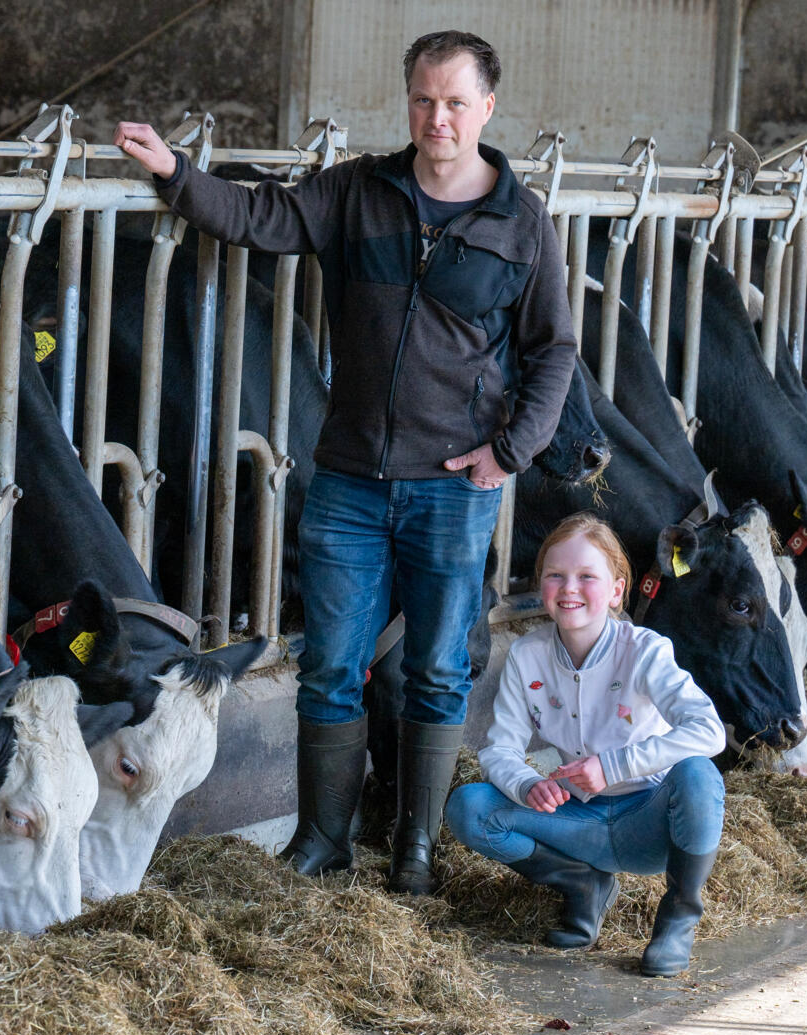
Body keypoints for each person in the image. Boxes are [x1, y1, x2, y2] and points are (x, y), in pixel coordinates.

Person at [114, 30, 577, 893]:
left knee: (440, 669)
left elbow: (554, 351)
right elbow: (261, 215)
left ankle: (418, 848)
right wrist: (175, 174)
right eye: (423, 100)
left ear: (487, 109)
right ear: (409, 102)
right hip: (351, 479)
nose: (437, 117)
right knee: (331, 662)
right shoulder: (360, 191)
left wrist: (509, 453)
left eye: (454, 102)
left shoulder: (521, 224)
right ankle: (324, 841)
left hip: (453, 485)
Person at [445, 514, 726, 976]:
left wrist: (613, 767)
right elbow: (500, 749)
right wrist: (527, 785)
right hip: (576, 821)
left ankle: (678, 916)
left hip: (650, 822)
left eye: (587, 577)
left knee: (698, 774)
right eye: (555, 575)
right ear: (541, 586)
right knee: (469, 807)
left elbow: (708, 730)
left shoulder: (645, 650)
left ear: (617, 591)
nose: (569, 587)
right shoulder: (526, 654)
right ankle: (582, 885)